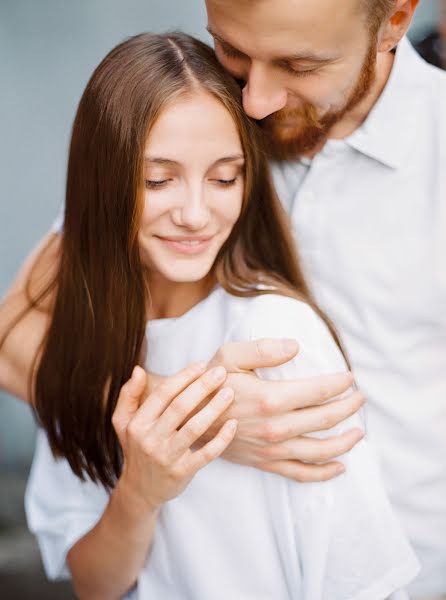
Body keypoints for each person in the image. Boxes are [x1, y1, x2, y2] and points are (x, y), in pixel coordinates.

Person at [24, 32, 418, 600]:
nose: (193, 214)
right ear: (102, 181)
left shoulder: (275, 340)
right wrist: (140, 491)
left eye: (224, 177)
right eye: (158, 180)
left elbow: (361, 584)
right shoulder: (89, 338)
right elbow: (95, 582)